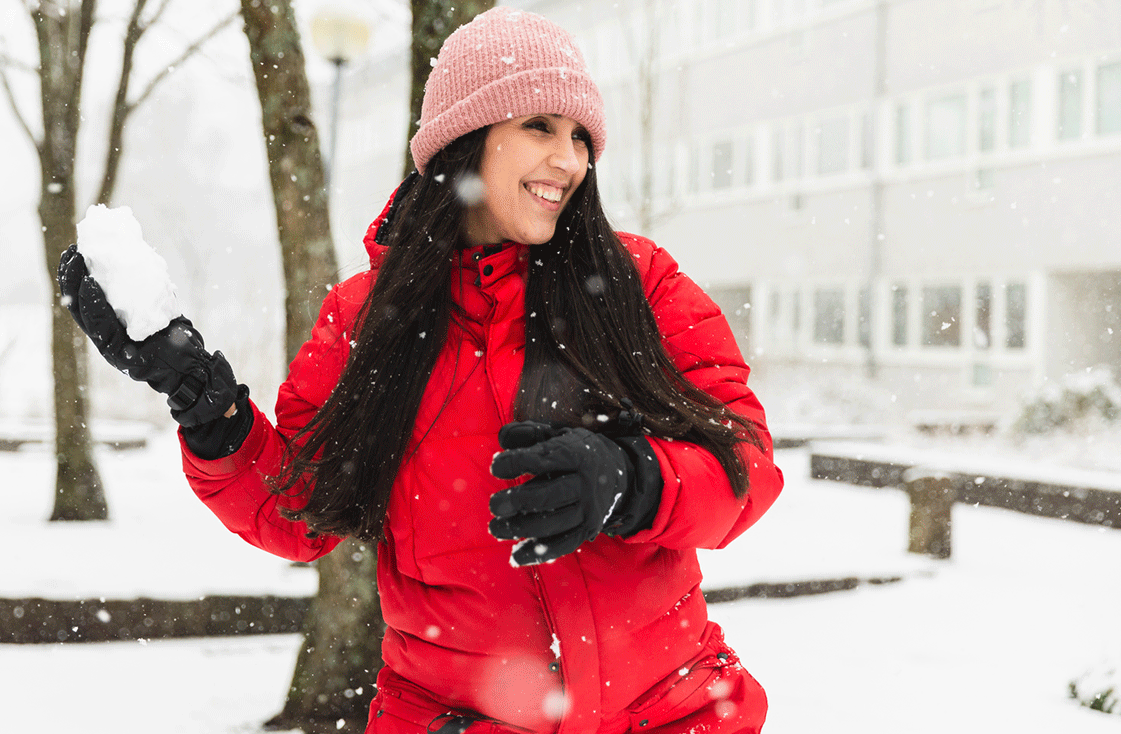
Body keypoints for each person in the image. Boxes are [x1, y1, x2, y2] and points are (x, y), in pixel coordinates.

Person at [59, 7, 783, 734]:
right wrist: (209, 411)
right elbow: (302, 507)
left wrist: (636, 480)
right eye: (540, 126)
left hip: (674, 716)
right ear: (467, 139)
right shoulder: (368, 319)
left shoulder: (638, 284)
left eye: (580, 137)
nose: (570, 160)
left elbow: (745, 459)